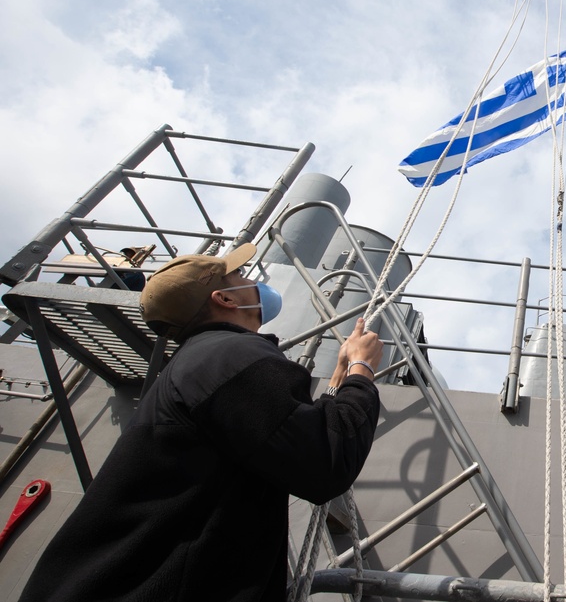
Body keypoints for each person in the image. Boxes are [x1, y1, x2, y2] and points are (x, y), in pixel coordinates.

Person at [19, 243, 383, 602]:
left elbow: (292, 434)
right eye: (239, 275)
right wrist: (362, 369)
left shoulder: (201, 362)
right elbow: (325, 462)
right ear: (224, 299)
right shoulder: (230, 355)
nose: (250, 279)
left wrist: (338, 378)